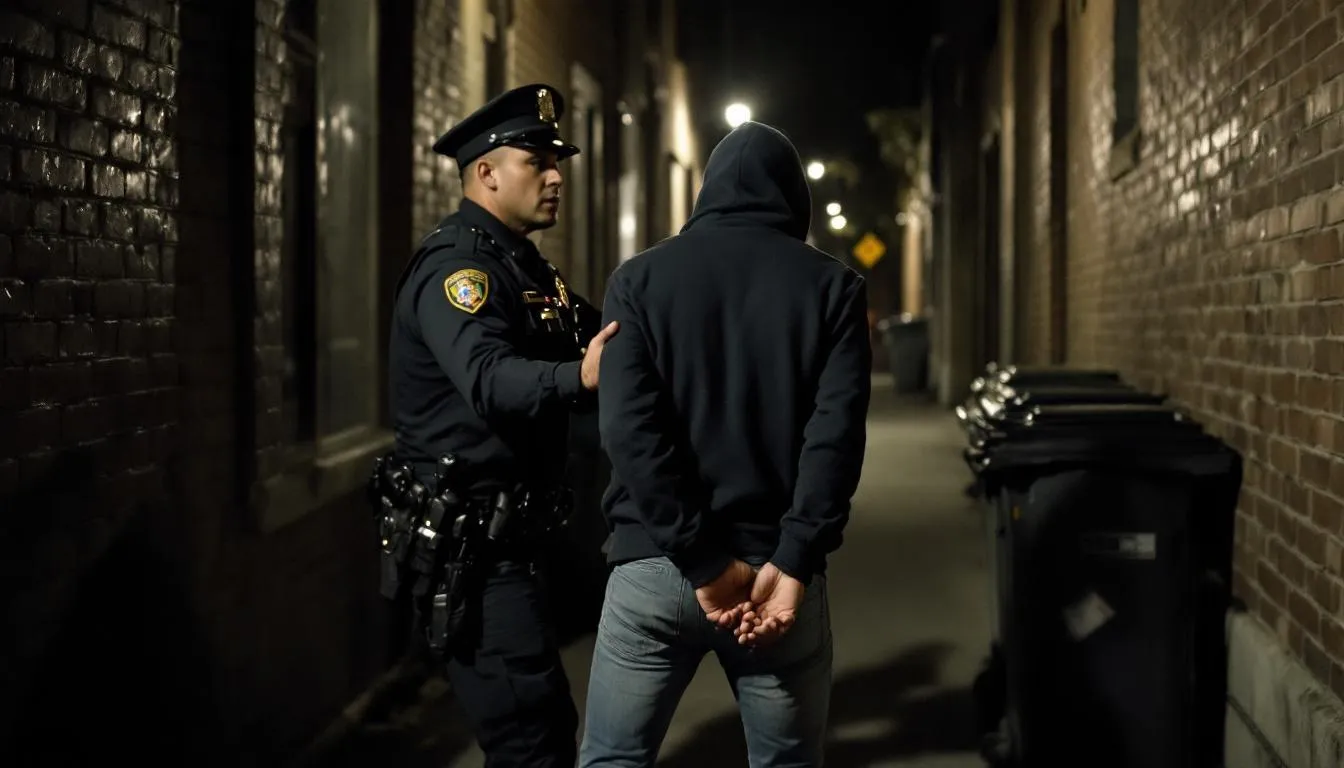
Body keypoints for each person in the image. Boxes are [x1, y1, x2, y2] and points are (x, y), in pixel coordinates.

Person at [579, 120, 872, 766]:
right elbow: (835, 438)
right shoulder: (833, 290)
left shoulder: (637, 282)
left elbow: (629, 434)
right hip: (773, 578)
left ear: (705, 194)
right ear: (796, 203)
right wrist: (794, 560)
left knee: (612, 760)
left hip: (653, 570)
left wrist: (700, 562)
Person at [385, 83, 618, 766]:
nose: (555, 178)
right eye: (536, 162)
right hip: (473, 549)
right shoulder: (460, 271)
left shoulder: (523, 266)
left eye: (558, 163)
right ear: (485, 172)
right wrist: (579, 376)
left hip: (517, 538)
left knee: (537, 725)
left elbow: (599, 330)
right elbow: (488, 377)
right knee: (531, 738)